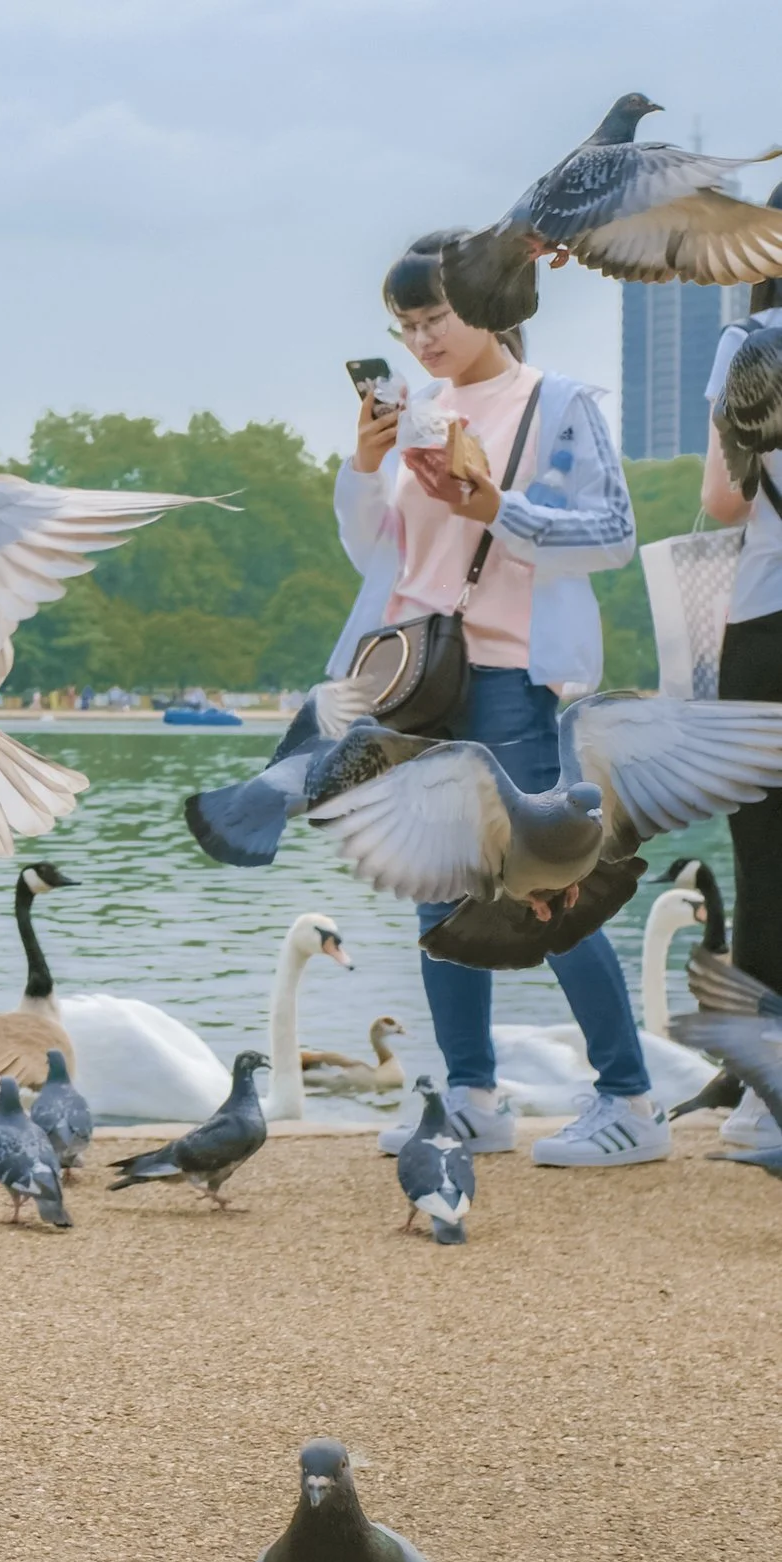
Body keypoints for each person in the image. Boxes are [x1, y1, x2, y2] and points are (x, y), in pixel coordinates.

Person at [329, 231, 657, 1167]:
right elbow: (381, 556)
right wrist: (364, 465)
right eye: (405, 324)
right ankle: (471, 1097)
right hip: (423, 676)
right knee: (437, 890)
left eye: (434, 317)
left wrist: (495, 508)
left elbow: (612, 533)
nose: (421, 340)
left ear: (491, 300)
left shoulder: (557, 405)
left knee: (550, 889)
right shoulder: (420, 409)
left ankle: (630, 1101)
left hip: (513, 676)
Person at [696, 190, 782, 1153]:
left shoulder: (749, 342)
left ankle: (766, 1098)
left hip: (767, 622)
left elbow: (724, 499)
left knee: (765, 861)